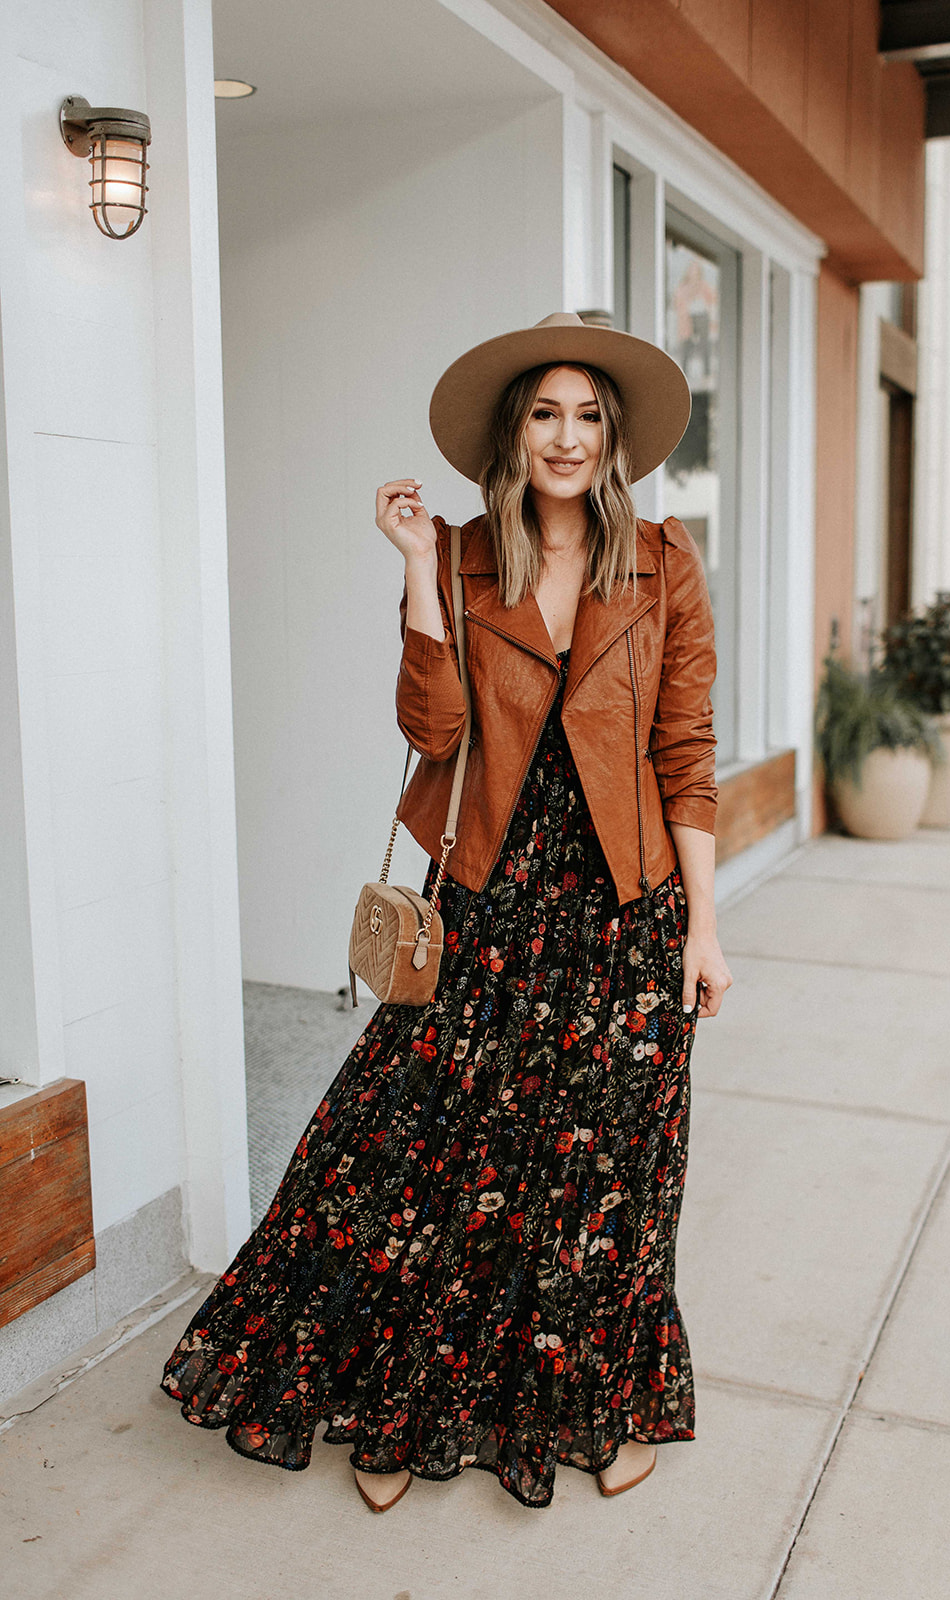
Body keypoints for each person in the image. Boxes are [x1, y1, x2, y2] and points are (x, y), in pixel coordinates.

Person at [159, 311, 732, 1513]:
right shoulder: (467, 557)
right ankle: (400, 1401)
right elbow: (434, 731)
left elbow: (683, 750)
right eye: (544, 413)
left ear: (612, 438)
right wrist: (417, 571)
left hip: (626, 909)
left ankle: (603, 1402)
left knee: (609, 1172)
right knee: (426, 1148)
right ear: (512, 434)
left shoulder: (665, 565)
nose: (566, 437)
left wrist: (704, 926)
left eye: (587, 416)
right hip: (487, 893)